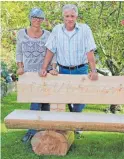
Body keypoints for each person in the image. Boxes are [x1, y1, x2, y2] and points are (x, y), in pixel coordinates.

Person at [39, 4, 98, 116]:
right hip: (63, 70)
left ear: (76, 16)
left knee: (80, 100)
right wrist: (44, 68)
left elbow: (90, 51)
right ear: (63, 17)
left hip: (80, 69)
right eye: (67, 16)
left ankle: (75, 117)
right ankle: (71, 121)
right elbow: (50, 50)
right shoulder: (57, 30)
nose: (69, 19)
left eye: (72, 16)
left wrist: (94, 70)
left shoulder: (84, 29)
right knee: (62, 96)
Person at [16, 8, 56, 143]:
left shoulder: (48, 34)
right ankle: (34, 130)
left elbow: (52, 52)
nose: (37, 20)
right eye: (34, 17)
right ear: (30, 18)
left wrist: (53, 68)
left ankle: (39, 130)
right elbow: (19, 52)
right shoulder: (21, 33)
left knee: (44, 102)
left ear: (43, 20)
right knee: (36, 101)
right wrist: (20, 67)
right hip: (30, 73)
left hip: (45, 71)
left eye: (40, 18)